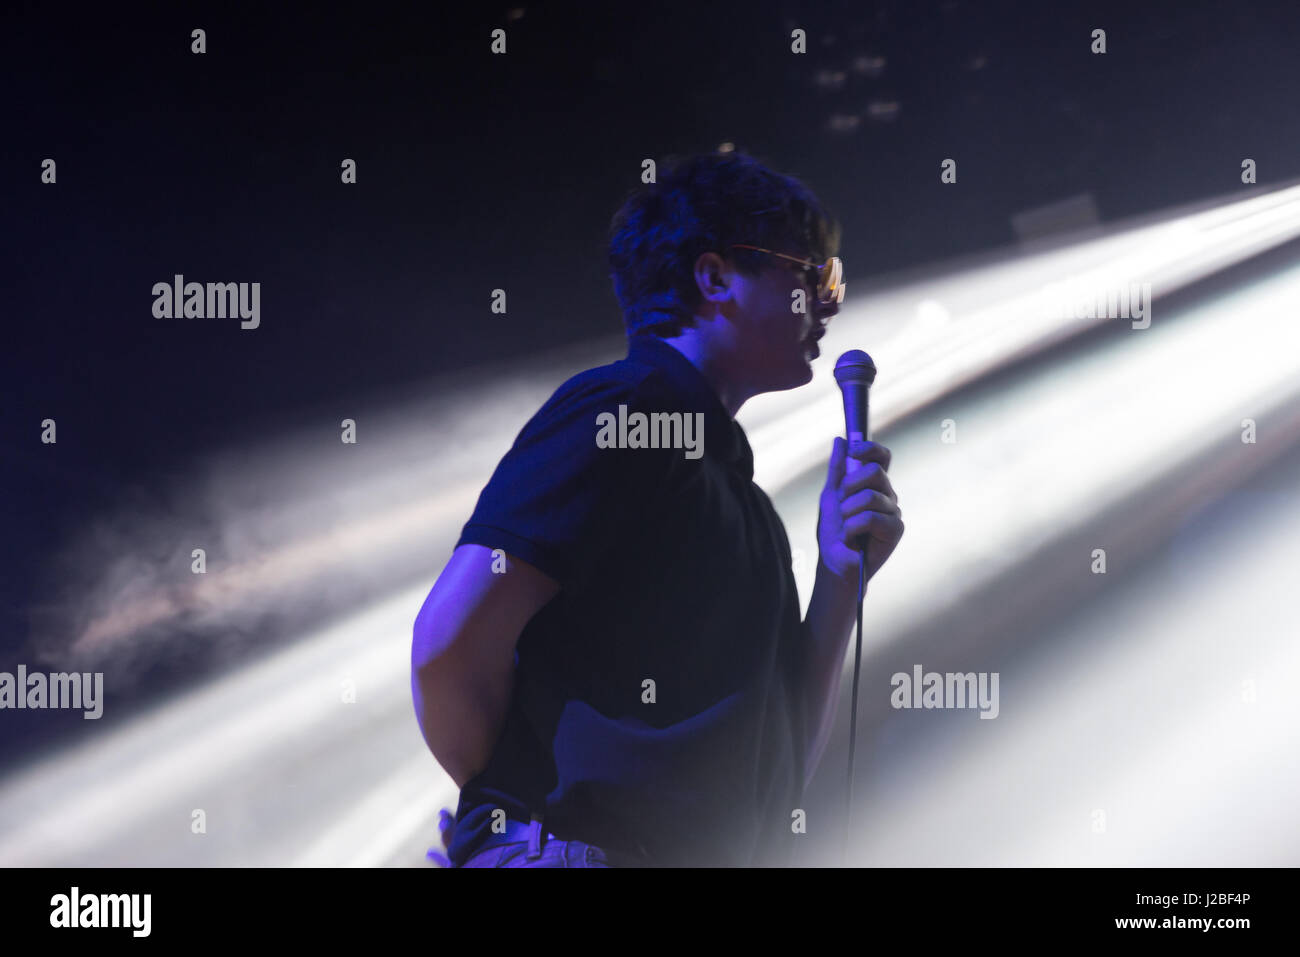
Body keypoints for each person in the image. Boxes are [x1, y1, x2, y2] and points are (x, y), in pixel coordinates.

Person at [411, 150, 903, 867]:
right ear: (714, 276)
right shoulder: (623, 409)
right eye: (808, 273)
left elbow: (778, 763)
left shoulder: (747, 505)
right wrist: (519, 814)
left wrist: (839, 576)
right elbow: (447, 646)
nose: (829, 300)